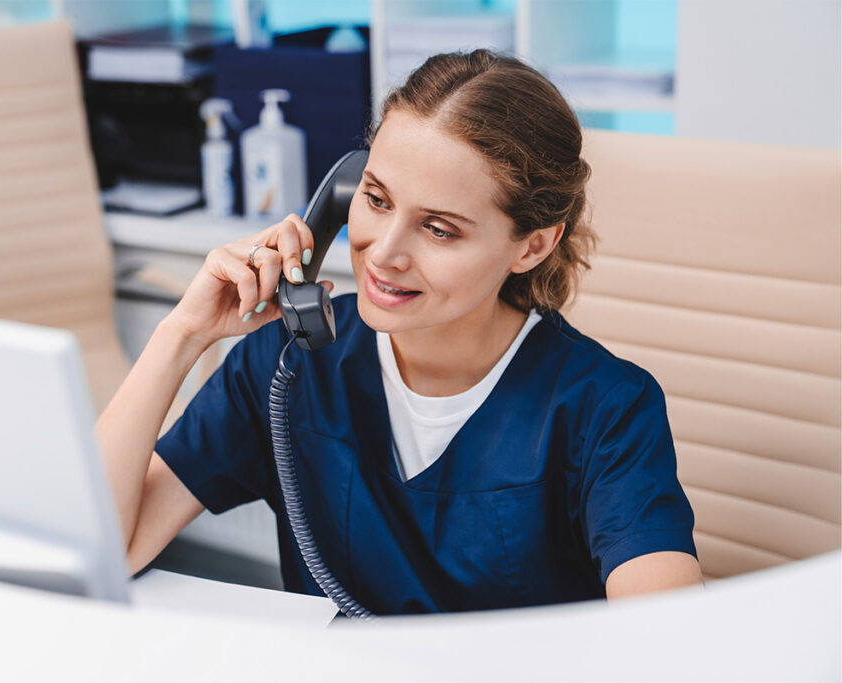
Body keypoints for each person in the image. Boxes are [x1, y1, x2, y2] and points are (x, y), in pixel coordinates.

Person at [96, 50, 703, 615]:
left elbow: (669, 645)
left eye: (439, 229)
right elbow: (107, 546)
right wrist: (183, 333)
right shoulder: (285, 365)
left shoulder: (605, 408)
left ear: (534, 244)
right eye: (377, 199)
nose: (383, 254)